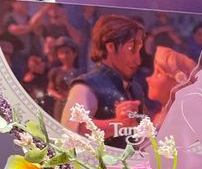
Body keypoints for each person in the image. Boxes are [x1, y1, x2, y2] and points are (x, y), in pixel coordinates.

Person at [61, 14, 146, 149]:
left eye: (139, 50)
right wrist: (119, 123)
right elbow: (72, 130)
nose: (138, 60)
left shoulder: (134, 88)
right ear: (110, 47)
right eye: (131, 49)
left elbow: (143, 138)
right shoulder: (85, 86)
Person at [146, 46, 196, 126]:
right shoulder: (158, 116)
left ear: (177, 84)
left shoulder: (177, 122)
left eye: (158, 73)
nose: (148, 79)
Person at [48, 37, 81, 122]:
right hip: (61, 106)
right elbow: (50, 90)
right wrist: (61, 98)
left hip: (76, 105)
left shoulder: (81, 74)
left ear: (74, 54)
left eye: (67, 52)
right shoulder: (55, 71)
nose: (65, 56)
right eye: (61, 53)